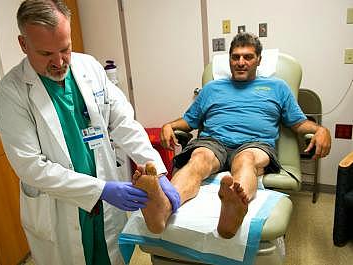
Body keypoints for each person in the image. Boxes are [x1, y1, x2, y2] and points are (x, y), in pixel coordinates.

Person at [0, 1, 180, 264]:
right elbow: (30, 166)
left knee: (111, 257)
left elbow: (123, 121)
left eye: (65, 49)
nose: (60, 62)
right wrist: (101, 189)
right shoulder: (12, 91)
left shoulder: (89, 68)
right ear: (23, 44)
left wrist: (157, 169)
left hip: (104, 207)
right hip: (59, 209)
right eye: (46, 54)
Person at [133, 32, 331, 239]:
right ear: (229, 60)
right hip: (213, 142)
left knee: (246, 160)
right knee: (198, 158)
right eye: (235, 57)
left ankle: (234, 207)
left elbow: (299, 124)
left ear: (259, 60)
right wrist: (168, 125)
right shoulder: (211, 89)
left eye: (248, 57)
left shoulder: (277, 88)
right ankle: (163, 207)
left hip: (254, 144)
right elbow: (188, 121)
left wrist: (321, 130)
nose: (241, 62)